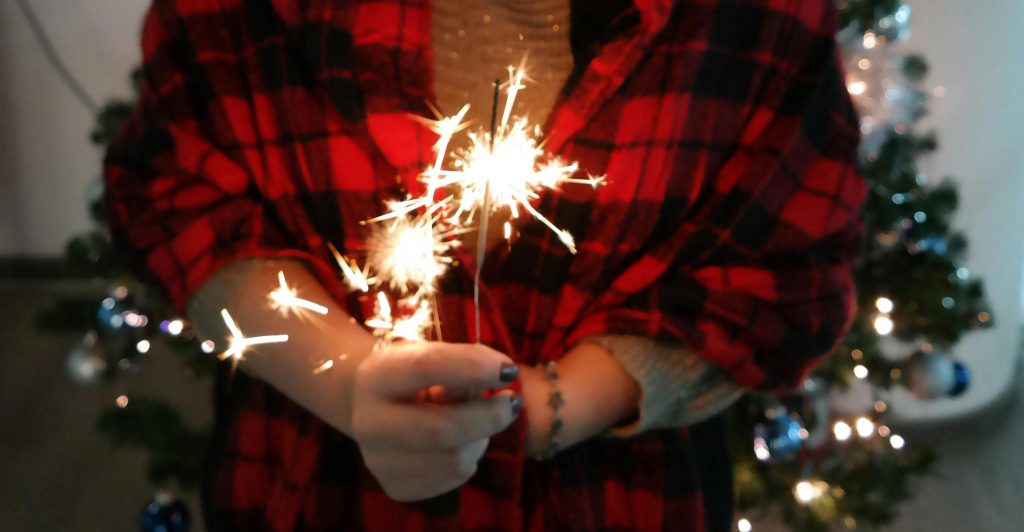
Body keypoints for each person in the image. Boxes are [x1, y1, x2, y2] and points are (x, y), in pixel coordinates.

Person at [104, 0, 866, 530]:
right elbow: (175, 191)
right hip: (305, 490)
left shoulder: (760, 22)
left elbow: (781, 273)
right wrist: (340, 377)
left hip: (626, 500)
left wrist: (540, 410)